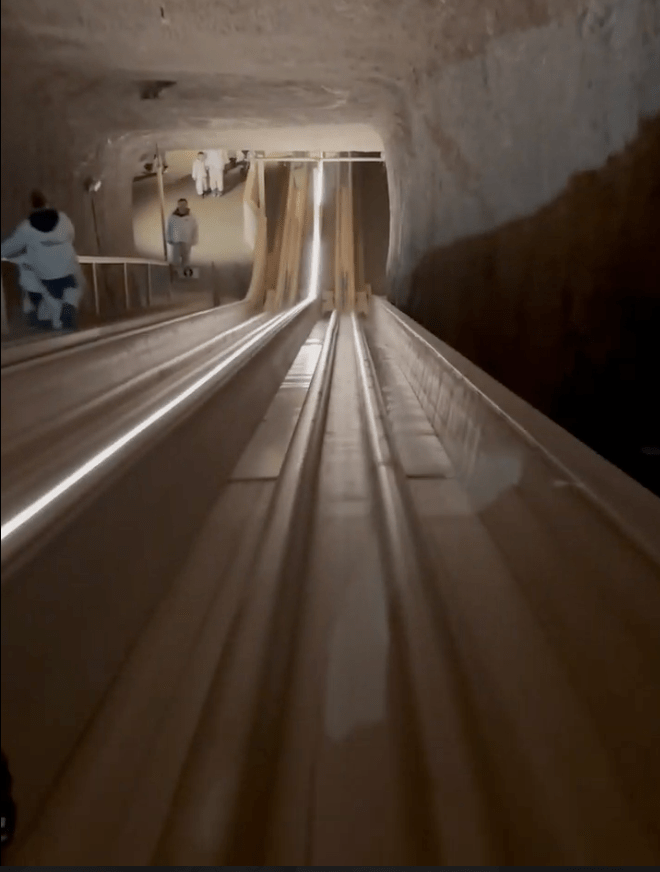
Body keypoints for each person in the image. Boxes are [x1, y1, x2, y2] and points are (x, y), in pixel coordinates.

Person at [1, 190, 83, 331]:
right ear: (47, 203)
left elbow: (8, 248)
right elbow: (71, 236)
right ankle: (69, 306)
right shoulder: (63, 219)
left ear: (31, 205)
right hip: (67, 269)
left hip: (46, 275)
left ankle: (37, 313)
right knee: (74, 287)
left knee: (27, 270)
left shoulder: (26, 227)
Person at [166, 198, 198, 268]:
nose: (182, 206)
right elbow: (169, 228)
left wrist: (194, 239)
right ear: (178, 205)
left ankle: (185, 273)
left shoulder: (191, 217)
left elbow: (195, 229)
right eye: (181, 204)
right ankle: (175, 272)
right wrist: (169, 238)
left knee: (186, 259)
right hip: (176, 241)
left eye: (184, 204)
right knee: (175, 259)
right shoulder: (172, 217)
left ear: (186, 205)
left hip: (186, 241)